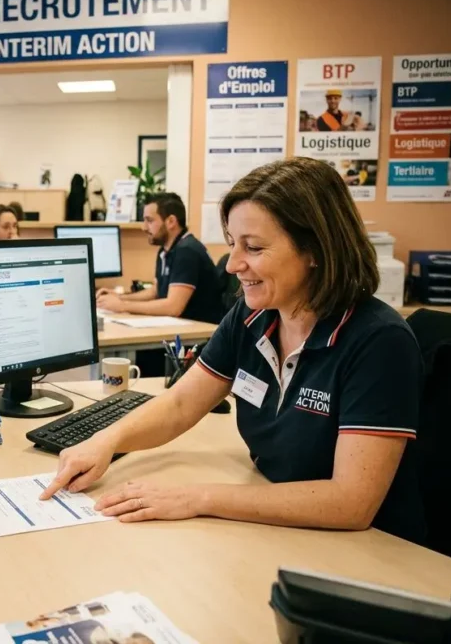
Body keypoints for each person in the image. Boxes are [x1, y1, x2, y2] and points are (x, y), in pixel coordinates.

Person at [41, 157, 425, 544]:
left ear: (316, 251)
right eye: (231, 245)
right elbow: (180, 404)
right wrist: (103, 442)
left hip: (362, 547)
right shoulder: (252, 315)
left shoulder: (379, 342)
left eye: (254, 248)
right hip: (273, 524)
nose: (233, 265)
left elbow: (350, 503)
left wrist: (198, 496)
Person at [97, 193, 223, 325]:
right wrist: (119, 297)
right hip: (180, 328)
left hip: (200, 333)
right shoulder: (166, 250)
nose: (144, 227)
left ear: (171, 222)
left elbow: (173, 307)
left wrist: (123, 306)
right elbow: (156, 291)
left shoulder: (187, 251)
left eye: (149, 221)